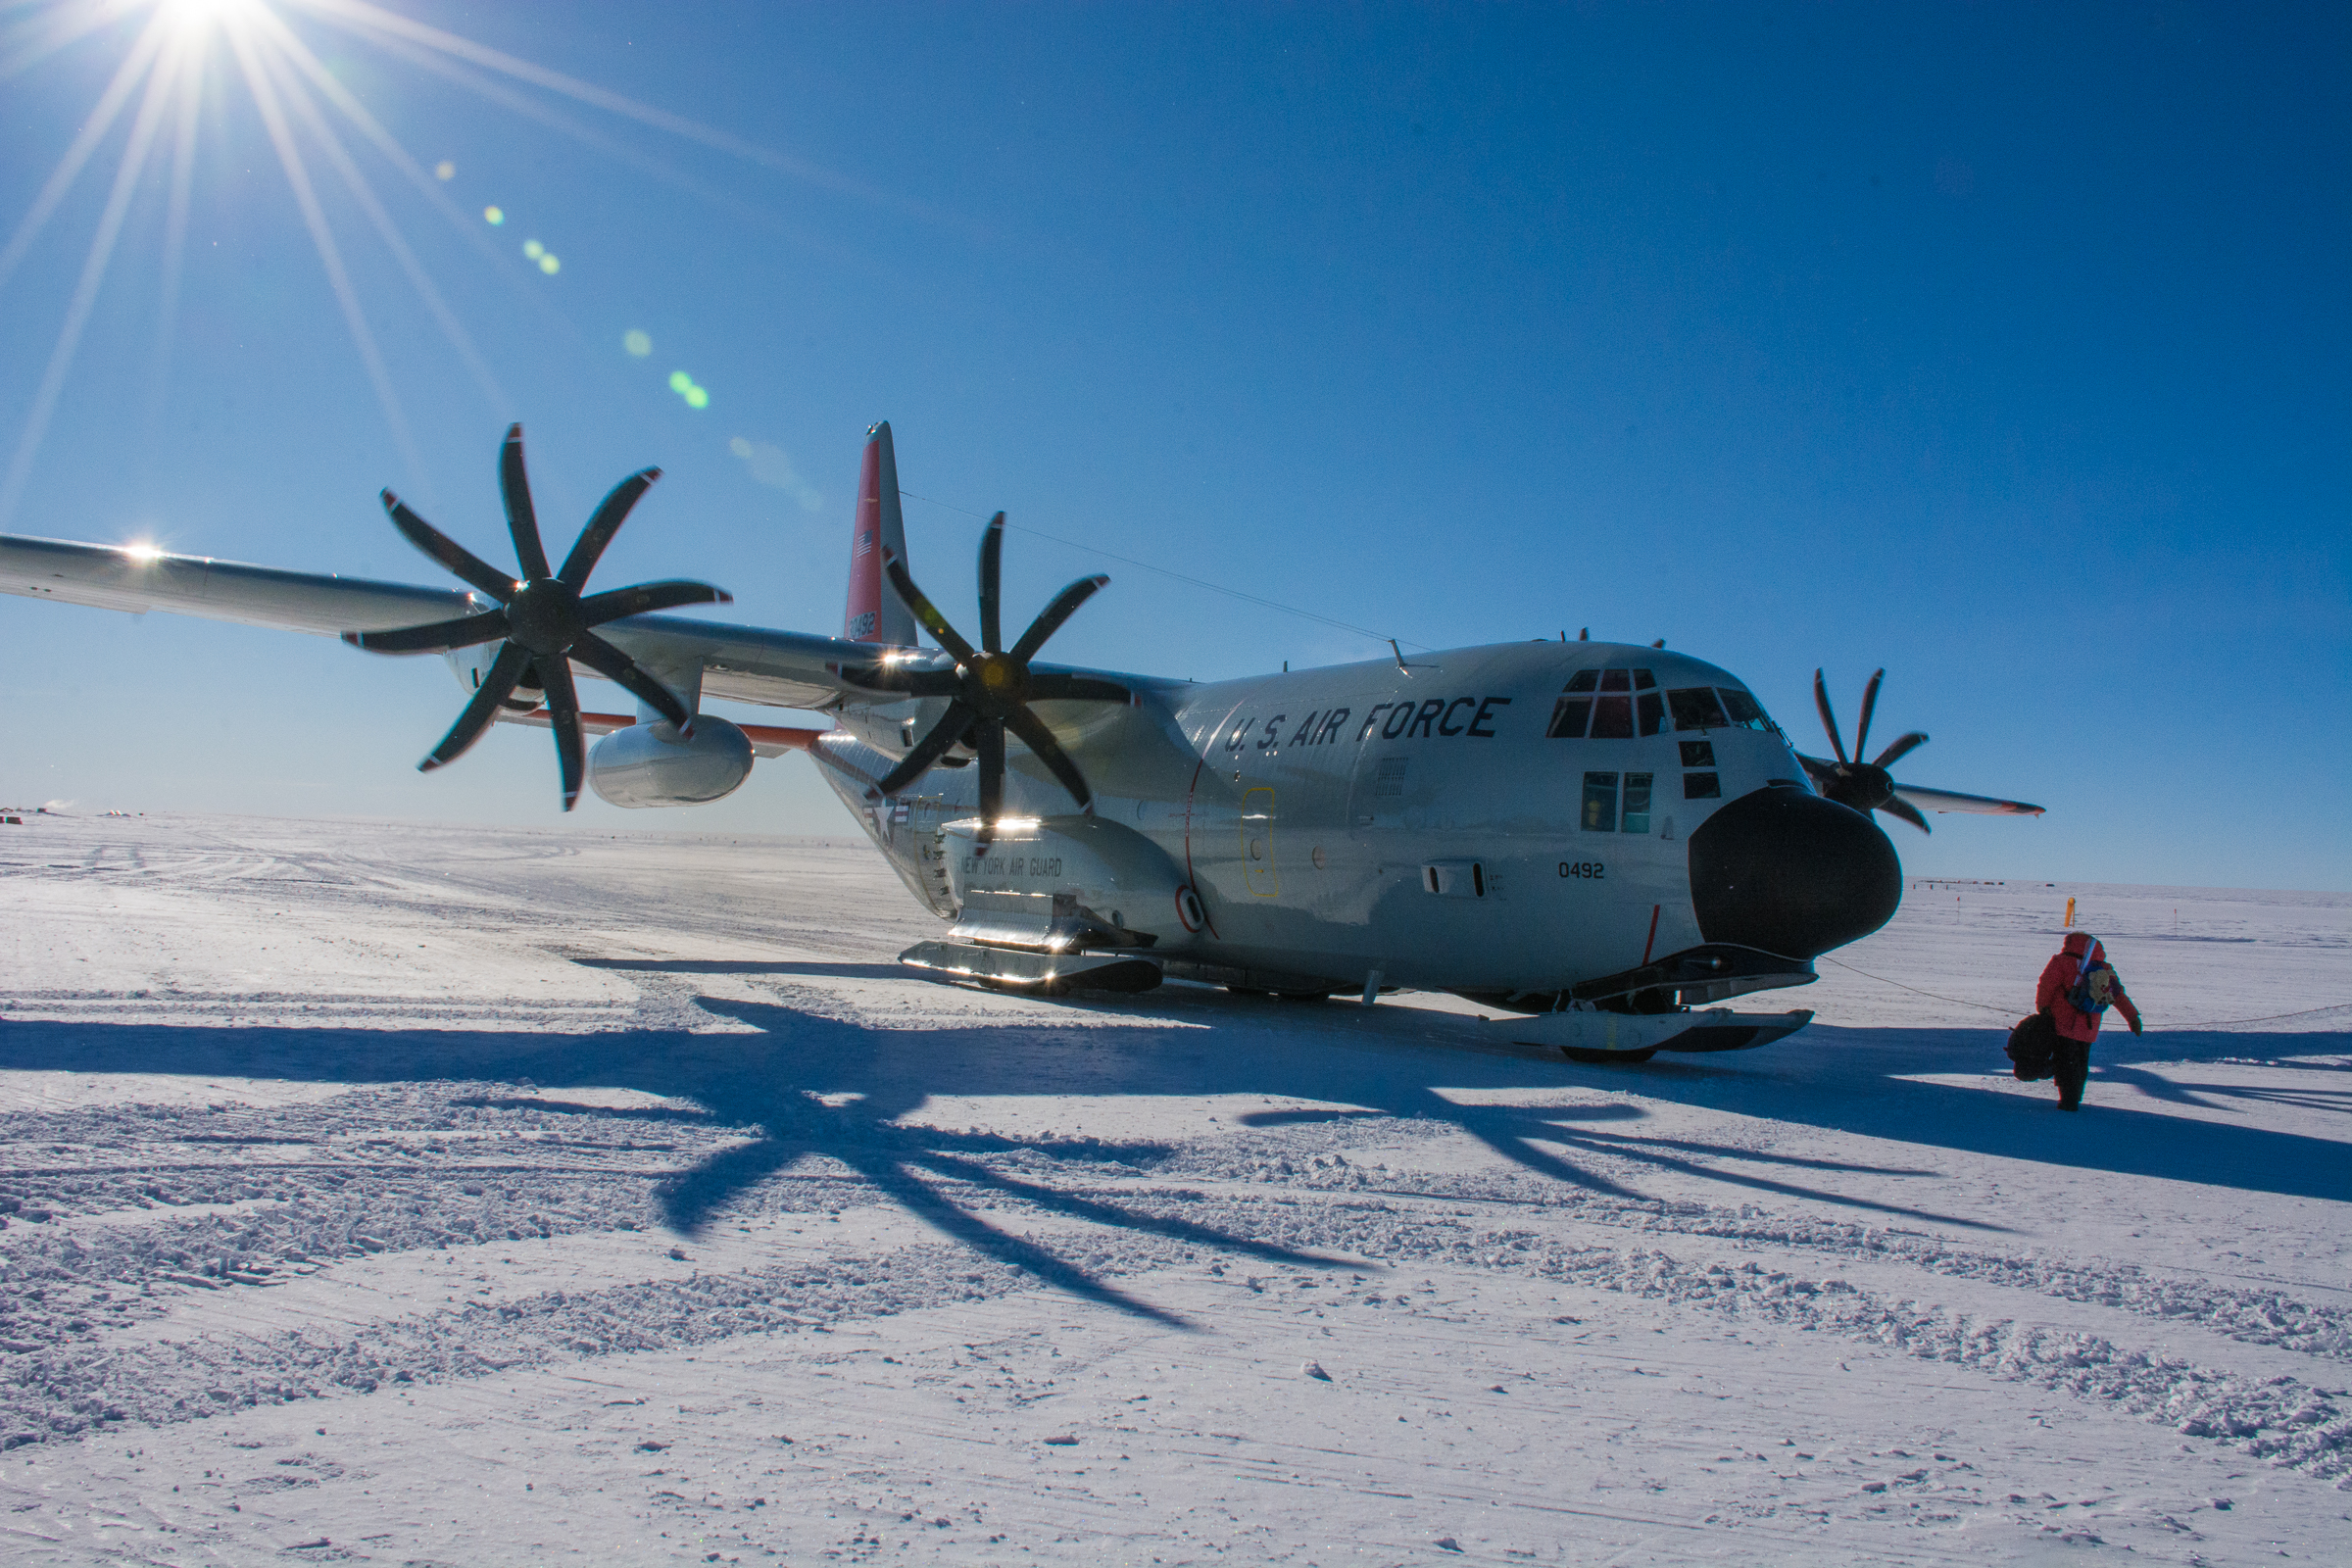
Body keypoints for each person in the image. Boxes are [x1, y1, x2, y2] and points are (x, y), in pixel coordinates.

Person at [2034, 931, 2142, 1110]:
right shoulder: (2104, 968)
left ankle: (2067, 1101)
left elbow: (2046, 985)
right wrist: (2132, 1017)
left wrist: (2043, 1008)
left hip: (2062, 1024)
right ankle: (2075, 1097)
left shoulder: (2061, 962)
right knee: (2081, 1062)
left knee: (2065, 1061)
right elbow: (2117, 994)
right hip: (2088, 1029)